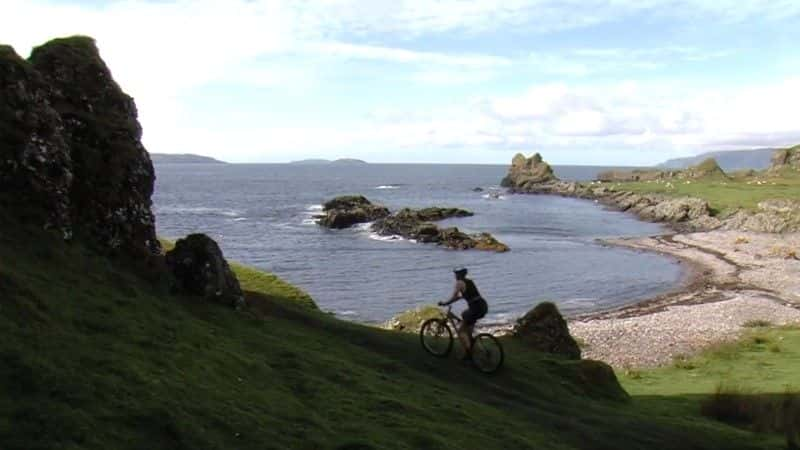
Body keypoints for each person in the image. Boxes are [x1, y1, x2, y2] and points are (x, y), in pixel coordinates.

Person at [438, 267, 488, 357]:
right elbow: (463, 296)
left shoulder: (459, 283)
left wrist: (445, 303)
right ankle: (471, 342)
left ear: (459, 274)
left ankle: (468, 354)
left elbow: (454, 296)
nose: (455, 275)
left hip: (475, 308)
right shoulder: (469, 281)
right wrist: (454, 300)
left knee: (461, 331)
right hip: (483, 306)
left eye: (456, 273)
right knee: (465, 315)